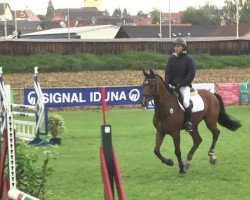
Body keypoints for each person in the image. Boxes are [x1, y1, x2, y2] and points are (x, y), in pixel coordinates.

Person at [165, 37, 196, 131]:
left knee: (186, 102)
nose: (176, 48)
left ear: (183, 48)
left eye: (178, 46)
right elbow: (168, 73)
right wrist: (167, 83)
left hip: (184, 87)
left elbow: (191, 74)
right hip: (172, 87)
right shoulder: (171, 59)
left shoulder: (189, 59)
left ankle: (188, 122)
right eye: (175, 46)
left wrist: (181, 84)